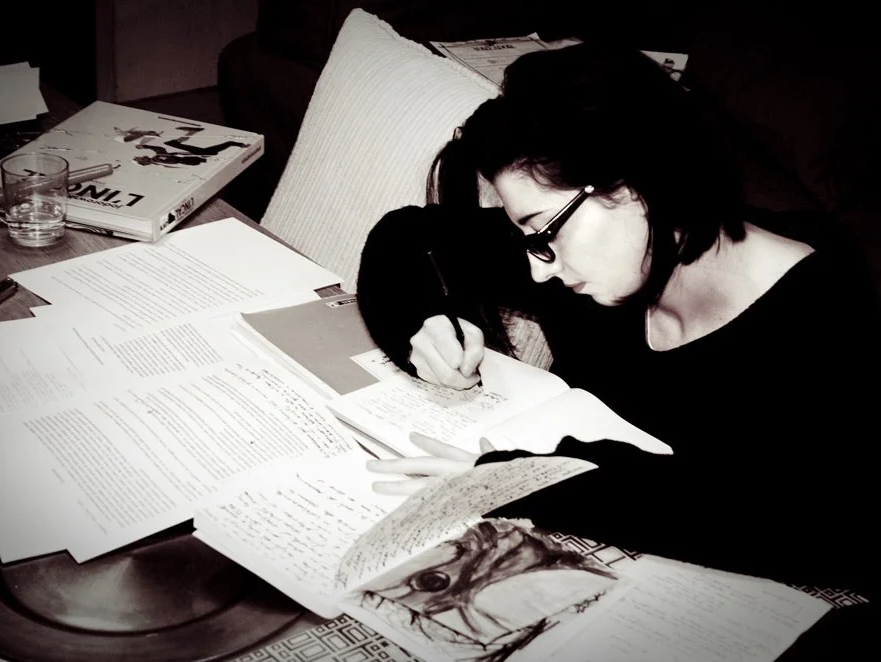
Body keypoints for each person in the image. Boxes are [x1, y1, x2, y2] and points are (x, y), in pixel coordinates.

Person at [354, 42, 878, 658]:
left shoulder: (822, 313)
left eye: (542, 230)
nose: (539, 268)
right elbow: (407, 236)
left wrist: (531, 478)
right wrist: (428, 320)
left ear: (637, 188)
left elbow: (794, 525)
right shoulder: (602, 250)